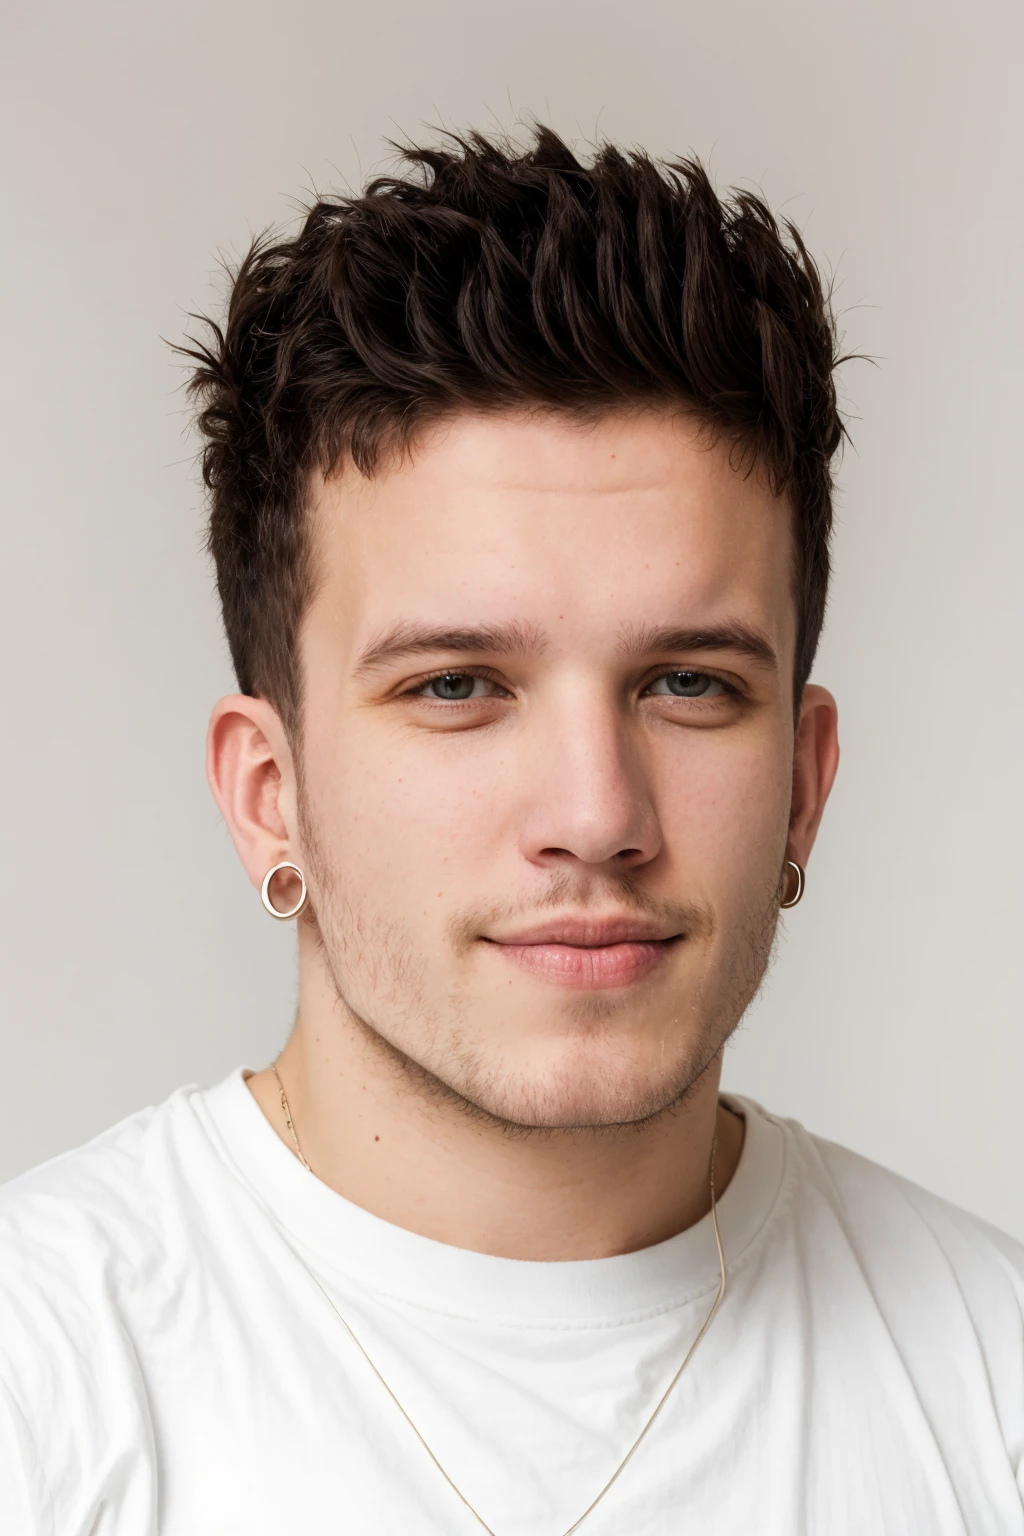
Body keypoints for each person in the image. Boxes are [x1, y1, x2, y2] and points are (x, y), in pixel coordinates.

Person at [1, 125, 1021, 1536]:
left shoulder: (992, 1389)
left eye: (686, 685)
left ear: (804, 778)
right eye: (459, 687)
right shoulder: (40, 1389)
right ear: (266, 798)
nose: (596, 816)